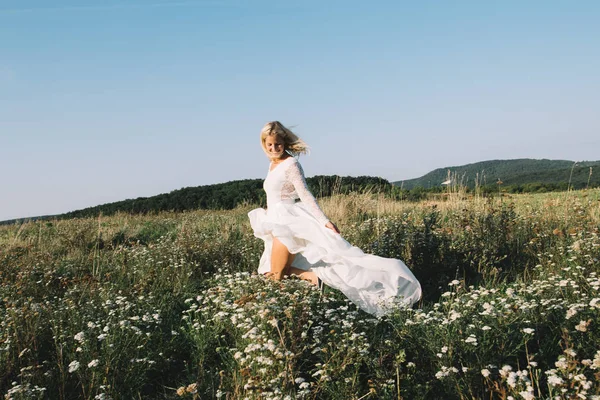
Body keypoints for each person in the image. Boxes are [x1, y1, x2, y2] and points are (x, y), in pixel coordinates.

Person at [248, 121, 421, 316]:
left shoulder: (291, 164)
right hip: (274, 220)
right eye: (269, 144)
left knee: (276, 275)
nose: (273, 148)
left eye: (277, 144)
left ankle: (275, 316)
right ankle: (314, 279)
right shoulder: (272, 164)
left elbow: (305, 195)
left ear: (284, 142)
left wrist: (324, 221)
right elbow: (276, 192)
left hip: (287, 223)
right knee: (273, 271)